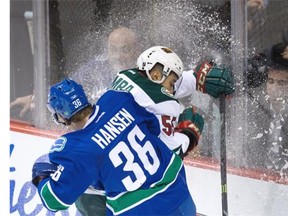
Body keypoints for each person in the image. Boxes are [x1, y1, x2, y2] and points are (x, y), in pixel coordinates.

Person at [76, 45, 234, 216]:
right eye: (172, 81)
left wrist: (196, 79)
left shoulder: (125, 77)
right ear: (157, 75)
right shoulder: (163, 105)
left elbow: (163, 86)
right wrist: (189, 134)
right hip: (107, 194)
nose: (173, 88)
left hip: (86, 182)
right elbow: (168, 154)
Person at [31, 78, 197, 215]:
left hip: (140, 210)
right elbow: (153, 127)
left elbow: (55, 200)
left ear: (61, 117)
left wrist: (41, 178)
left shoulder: (75, 148)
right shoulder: (117, 99)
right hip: (178, 192)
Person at [10, 26, 140, 120]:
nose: (118, 56)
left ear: (136, 49)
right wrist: (38, 98)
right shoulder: (98, 67)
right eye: (113, 49)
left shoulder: (144, 75)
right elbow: (68, 88)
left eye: (125, 49)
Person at [246, 43, 288, 176]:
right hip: (258, 180)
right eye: (271, 82)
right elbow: (247, 152)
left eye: (281, 83)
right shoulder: (255, 112)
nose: (274, 88)